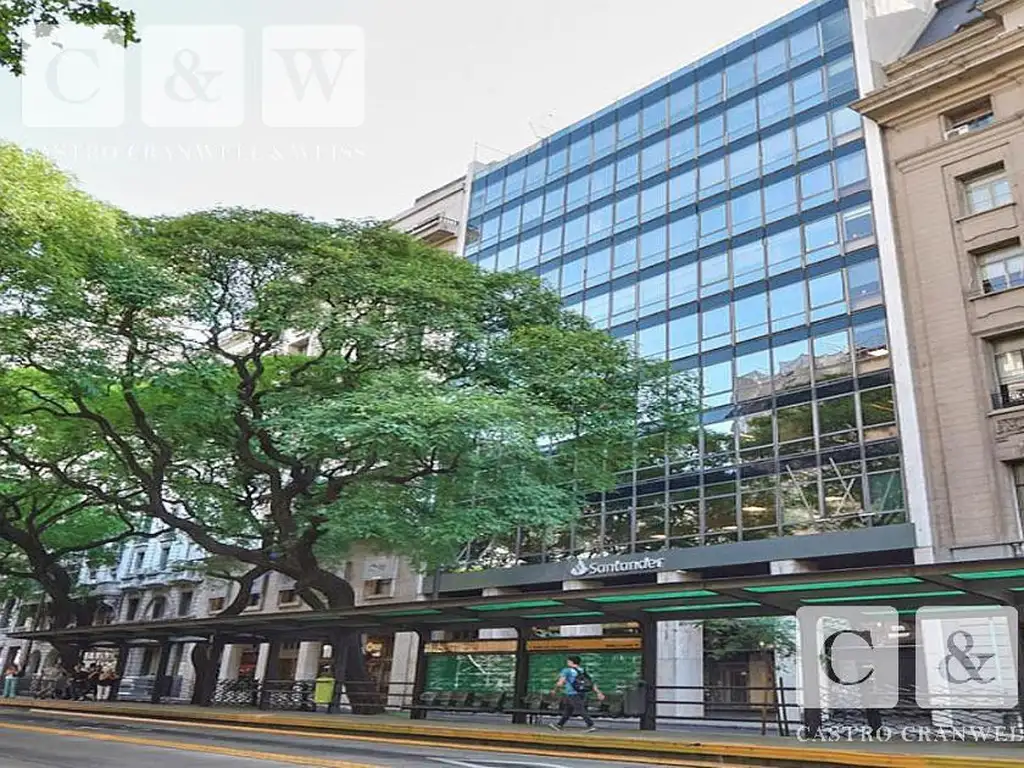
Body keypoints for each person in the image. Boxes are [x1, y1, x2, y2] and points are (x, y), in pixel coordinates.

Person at [549, 655, 604, 732]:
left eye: (568, 661)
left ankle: (591, 725)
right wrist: (598, 692)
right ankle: (559, 725)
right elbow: (591, 683)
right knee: (568, 710)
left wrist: (554, 690)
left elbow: (560, 683)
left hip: (572, 693)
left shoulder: (566, 670)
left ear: (571, 662)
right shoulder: (582, 670)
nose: (567, 662)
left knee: (580, 709)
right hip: (582, 693)